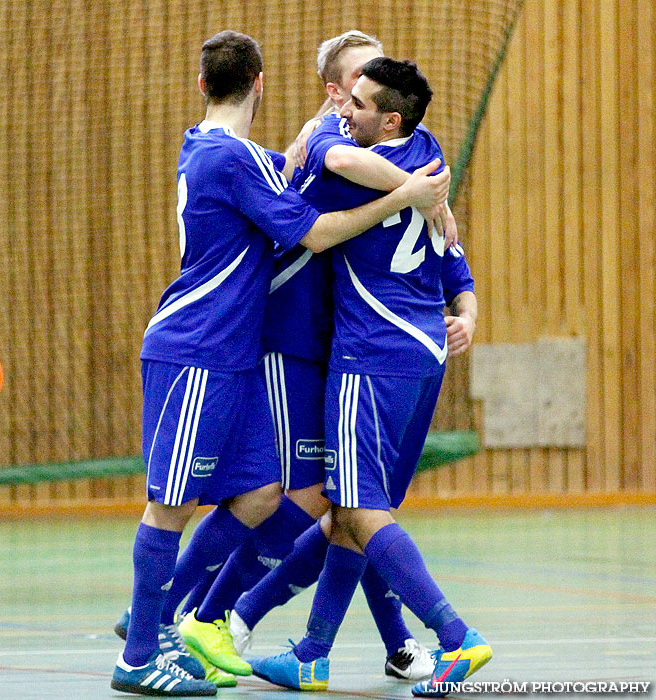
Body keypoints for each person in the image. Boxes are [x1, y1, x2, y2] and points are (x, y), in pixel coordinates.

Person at [111, 31, 448, 697]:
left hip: (231, 353)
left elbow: (305, 169)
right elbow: (318, 228)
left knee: (265, 491)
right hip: (196, 346)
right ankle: (143, 648)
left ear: (204, 85)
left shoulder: (229, 153)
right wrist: (410, 194)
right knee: (169, 507)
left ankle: (192, 620)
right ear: (261, 83)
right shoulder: (234, 159)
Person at [250, 57, 489, 697]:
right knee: (355, 511)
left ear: (389, 119)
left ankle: (455, 638)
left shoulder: (350, 172)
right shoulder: (431, 154)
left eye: (355, 104)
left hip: (370, 353)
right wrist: (423, 203)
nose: (341, 112)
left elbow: (326, 168)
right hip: (421, 356)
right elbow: (452, 258)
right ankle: (312, 652)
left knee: (355, 504)